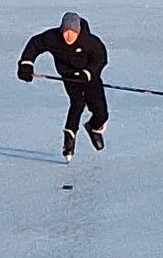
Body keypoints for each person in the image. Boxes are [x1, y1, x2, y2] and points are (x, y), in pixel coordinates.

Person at [18, 12, 108, 161]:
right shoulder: (53, 38)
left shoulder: (90, 42)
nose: (68, 36)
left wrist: (88, 72)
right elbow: (35, 44)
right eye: (66, 32)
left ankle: (94, 128)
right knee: (77, 103)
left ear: (78, 31)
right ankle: (69, 140)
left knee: (101, 113)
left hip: (90, 77)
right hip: (69, 76)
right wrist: (26, 64)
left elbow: (100, 58)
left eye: (72, 32)